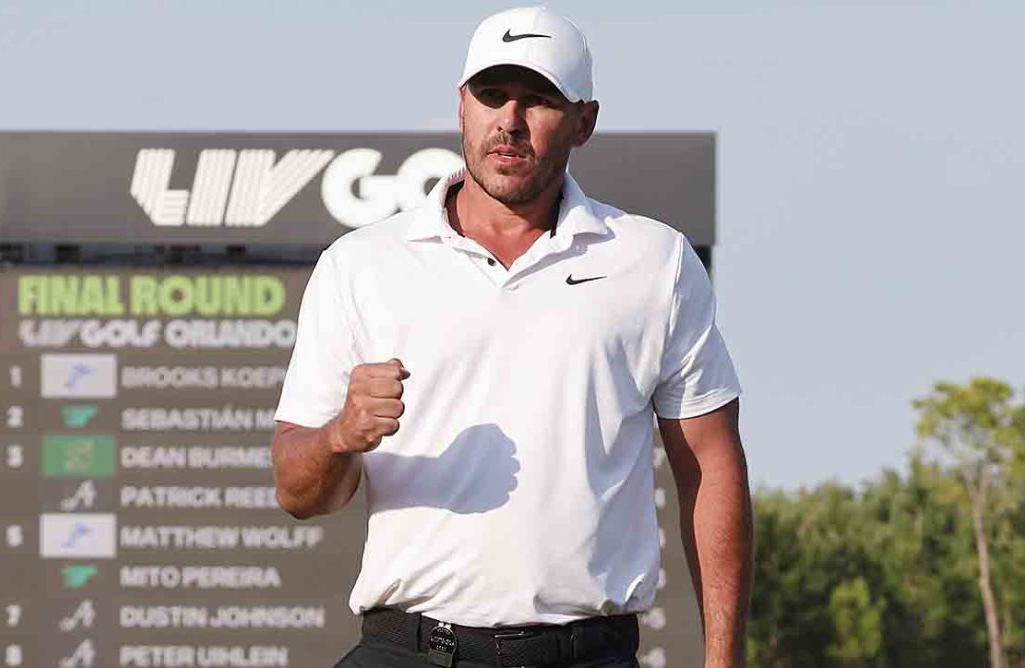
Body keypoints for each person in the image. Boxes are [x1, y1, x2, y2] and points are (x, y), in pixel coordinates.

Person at [270, 6, 752, 667]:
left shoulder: (654, 262)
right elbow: (299, 493)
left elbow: (711, 470)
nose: (510, 122)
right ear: (461, 105)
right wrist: (339, 436)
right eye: (492, 95)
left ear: (585, 120)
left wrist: (723, 662)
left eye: (540, 99)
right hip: (407, 651)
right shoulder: (362, 263)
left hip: (589, 653)